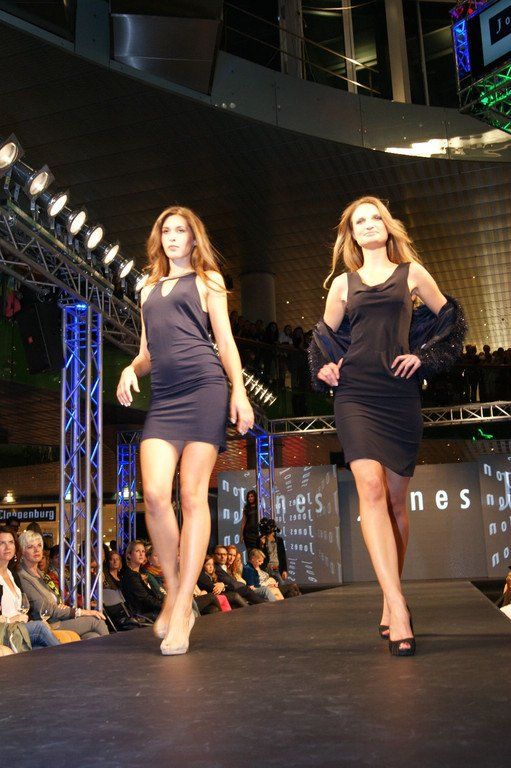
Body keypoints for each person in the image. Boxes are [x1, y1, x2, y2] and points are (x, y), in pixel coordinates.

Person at [310, 196, 465, 656]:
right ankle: (398, 606)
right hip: (355, 394)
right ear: (352, 235)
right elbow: (321, 340)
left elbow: (452, 321)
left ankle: (388, 594)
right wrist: (324, 367)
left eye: (376, 217)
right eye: (360, 221)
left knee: (396, 503)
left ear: (388, 226)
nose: (369, 224)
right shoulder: (343, 284)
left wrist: (424, 357)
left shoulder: (412, 274)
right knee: (371, 488)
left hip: (399, 394)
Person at [116, 205, 254, 655]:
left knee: (192, 495)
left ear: (194, 238)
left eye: (181, 230)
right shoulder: (147, 288)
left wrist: (239, 392)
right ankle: (177, 594)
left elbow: (225, 341)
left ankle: (179, 613)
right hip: (164, 398)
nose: (173, 237)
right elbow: (148, 352)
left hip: (205, 387)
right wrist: (130, 369)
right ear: (159, 239)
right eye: (167, 231)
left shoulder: (207, 280)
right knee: (156, 494)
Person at [17, 530, 109, 640]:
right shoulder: (23, 576)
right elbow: (45, 609)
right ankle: (115, 651)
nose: (36, 550)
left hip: (59, 619)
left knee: (92, 636)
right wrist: (81, 612)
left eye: (39, 545)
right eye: (30, 547)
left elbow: (56, 601)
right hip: (46, 625)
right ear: (22, 551)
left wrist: (60, 605)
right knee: (96, 621)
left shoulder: (41, 574)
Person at [0, 526, 60, 649]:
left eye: (11, 542)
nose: (7, 547)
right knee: (40, 627)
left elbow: (24, 606)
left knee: (41, 649)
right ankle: (71, 660)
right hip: (6, 629)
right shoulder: (21, 574)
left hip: (21, 628)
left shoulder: (12, 575)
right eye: (2, 543)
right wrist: (11, 619)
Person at [120, 540, 163, 621]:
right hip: (142, 615)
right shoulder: (130, 576)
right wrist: (165, 605)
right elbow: (145, 599)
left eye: (143, 551)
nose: (141, 554)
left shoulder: (141, 573)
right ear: (129, 555)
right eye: (137, 551)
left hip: (150, 610)